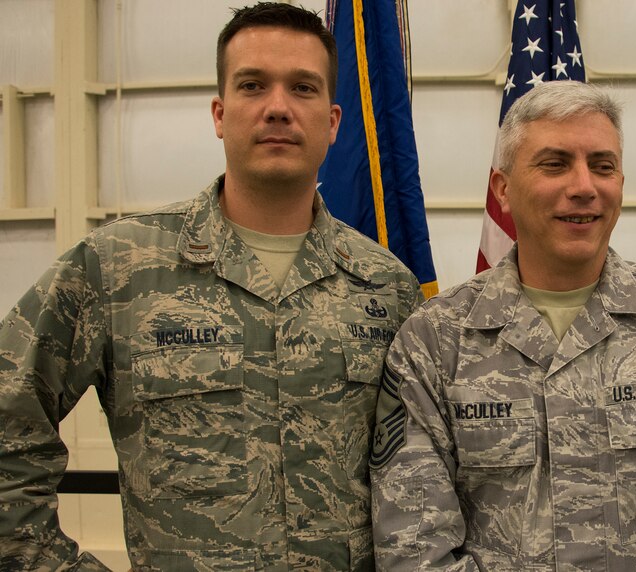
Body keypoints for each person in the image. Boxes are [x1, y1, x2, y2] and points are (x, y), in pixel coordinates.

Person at [0, 3, 420, 569]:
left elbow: (419, 476)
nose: (277, 108)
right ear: (220, 114)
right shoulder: (118, 268)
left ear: (334, 122)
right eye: (253, 85)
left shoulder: (386, 288)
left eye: (302, 87)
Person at [369, 80, 636, 570]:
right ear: (503, 189)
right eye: (554, 164)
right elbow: (413, 540)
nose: (583, 186)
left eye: (603, 166)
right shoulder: (435, 340)